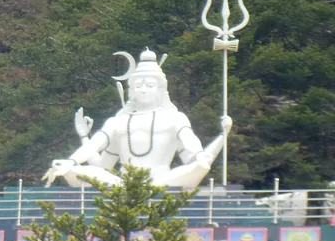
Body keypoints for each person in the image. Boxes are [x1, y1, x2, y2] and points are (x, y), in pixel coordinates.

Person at [44, 48, 231, 189]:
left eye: (149, 85)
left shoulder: (174, 118)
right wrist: (72, 161)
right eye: (138, 86)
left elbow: (192, 148)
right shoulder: (118, 121)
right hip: (121, 184)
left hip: (163, 181)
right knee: (73, 170)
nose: (143, 89)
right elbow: (95, 147)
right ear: (131, 90)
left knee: (198, 165)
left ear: (160, 90)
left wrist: (214, 144)